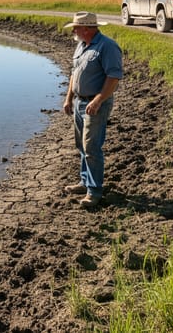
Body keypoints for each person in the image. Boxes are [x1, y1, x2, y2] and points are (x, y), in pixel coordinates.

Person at [61, 11, 123, 207]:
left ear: (87, 29)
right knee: (81, 145)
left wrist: (97, 100)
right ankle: (84, 181)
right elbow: (74, 73)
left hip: (95, 105)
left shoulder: (108, 47)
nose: (74, 31)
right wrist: (68, 98)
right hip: (79, 102)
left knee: (91, 147)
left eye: (76, 28)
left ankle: (94, 192)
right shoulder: (81, 44)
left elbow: (113, 77)